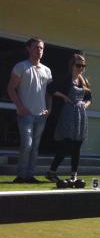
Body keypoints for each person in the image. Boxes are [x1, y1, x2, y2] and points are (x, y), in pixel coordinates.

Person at [6, 37, 53, 183]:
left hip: (41, 115)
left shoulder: (47, 70)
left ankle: (30, 175)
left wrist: (49, 109)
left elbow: (48, 93)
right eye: (36, 47)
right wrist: (20, 107)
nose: (39, 50)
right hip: (25, 114)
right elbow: (10, 89)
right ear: (29, 48)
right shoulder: (21, 67)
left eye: (41, 48)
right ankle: (21, 176)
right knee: (27, 144)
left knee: (35, 146)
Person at [45, 54, 92, 183]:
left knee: (77, 145)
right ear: (72, 65)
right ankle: (52, 171)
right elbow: (50, 89)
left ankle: (73, 175)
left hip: (80, 116)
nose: (81, 68)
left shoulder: (84, 81)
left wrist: (85, 105)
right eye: (78, 65)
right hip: (67, 115)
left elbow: (89, 99)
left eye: (83, 65)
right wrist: (64, 97)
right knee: (66, 145)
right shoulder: (65, 78)